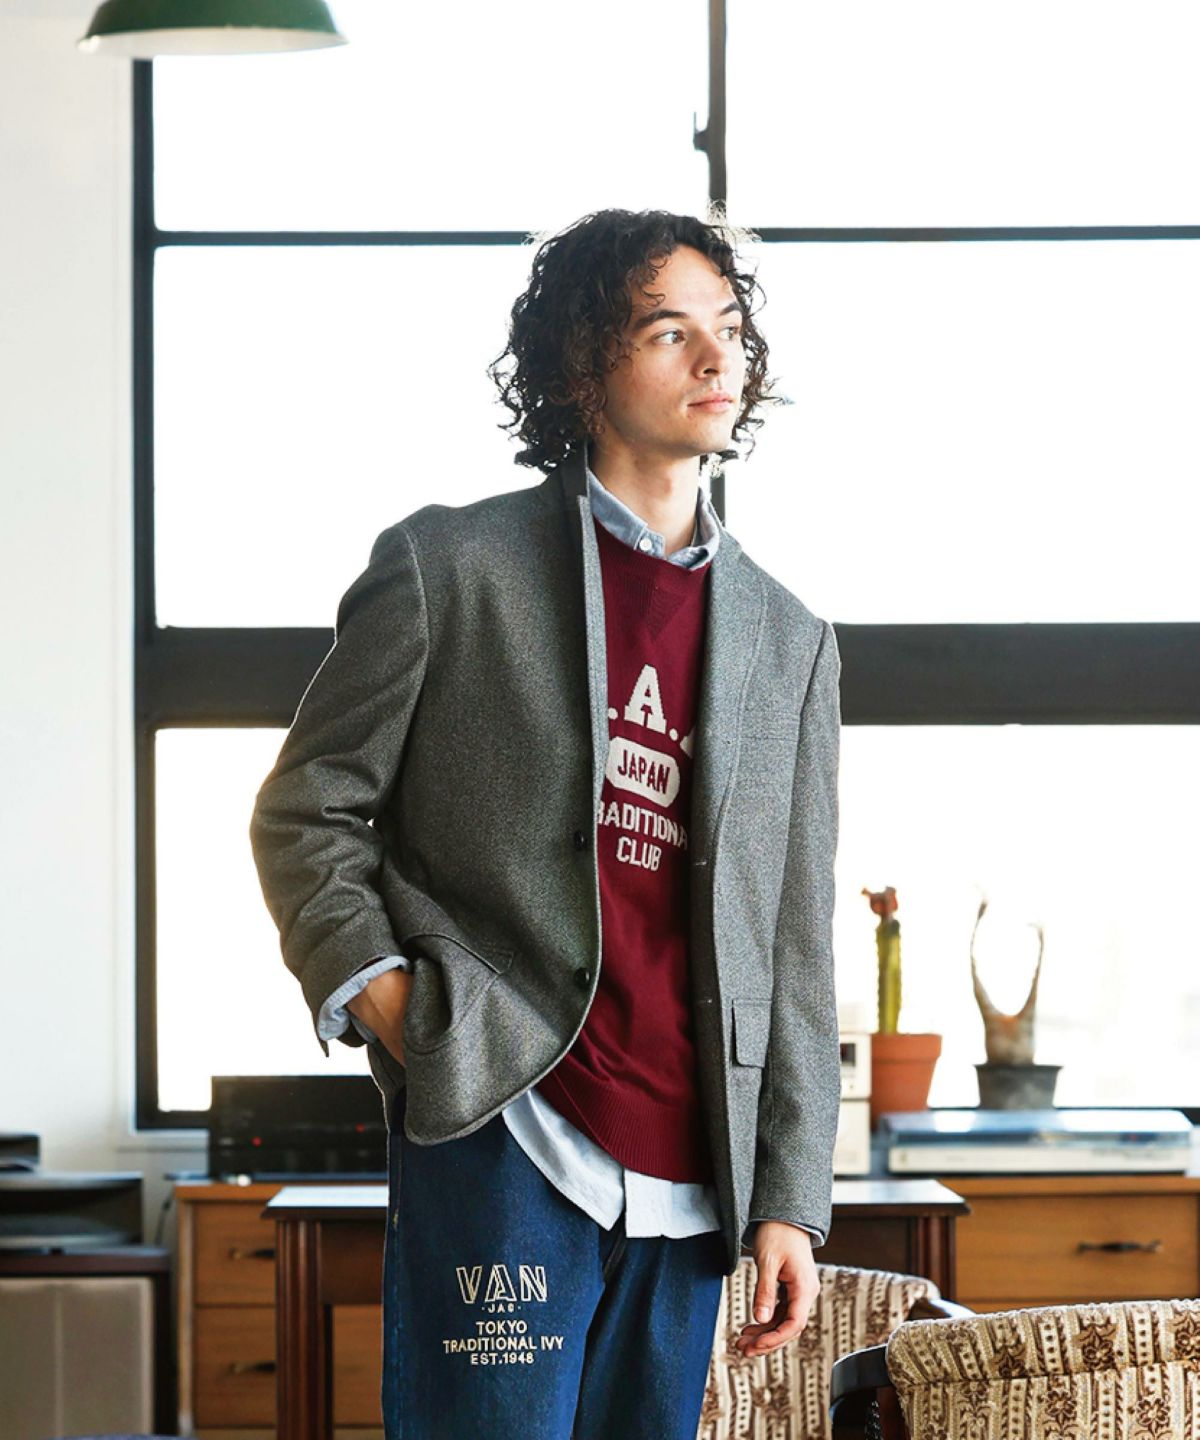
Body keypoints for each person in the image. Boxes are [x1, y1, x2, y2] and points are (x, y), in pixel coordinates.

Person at [249, 206, 843, 1439]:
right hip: (508, 1128)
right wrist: (401, 1010)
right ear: (584, 367)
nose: (716, 358)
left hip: (696, 1177)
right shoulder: (450, 568)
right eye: (669, 331)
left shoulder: (792, 642)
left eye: (729, 329)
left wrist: (790, 1196)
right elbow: (308, 811)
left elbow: (794, 937)